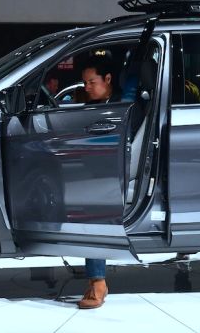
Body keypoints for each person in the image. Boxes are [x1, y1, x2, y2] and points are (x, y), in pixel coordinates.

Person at [77, 56, 115, 310]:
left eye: (92, 82)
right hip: (100, 170)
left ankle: (98, 282)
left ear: (108, 79)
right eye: (84, 82)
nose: (87, 87)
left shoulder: (122, 104)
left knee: (94, 213)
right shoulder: (88, 106)